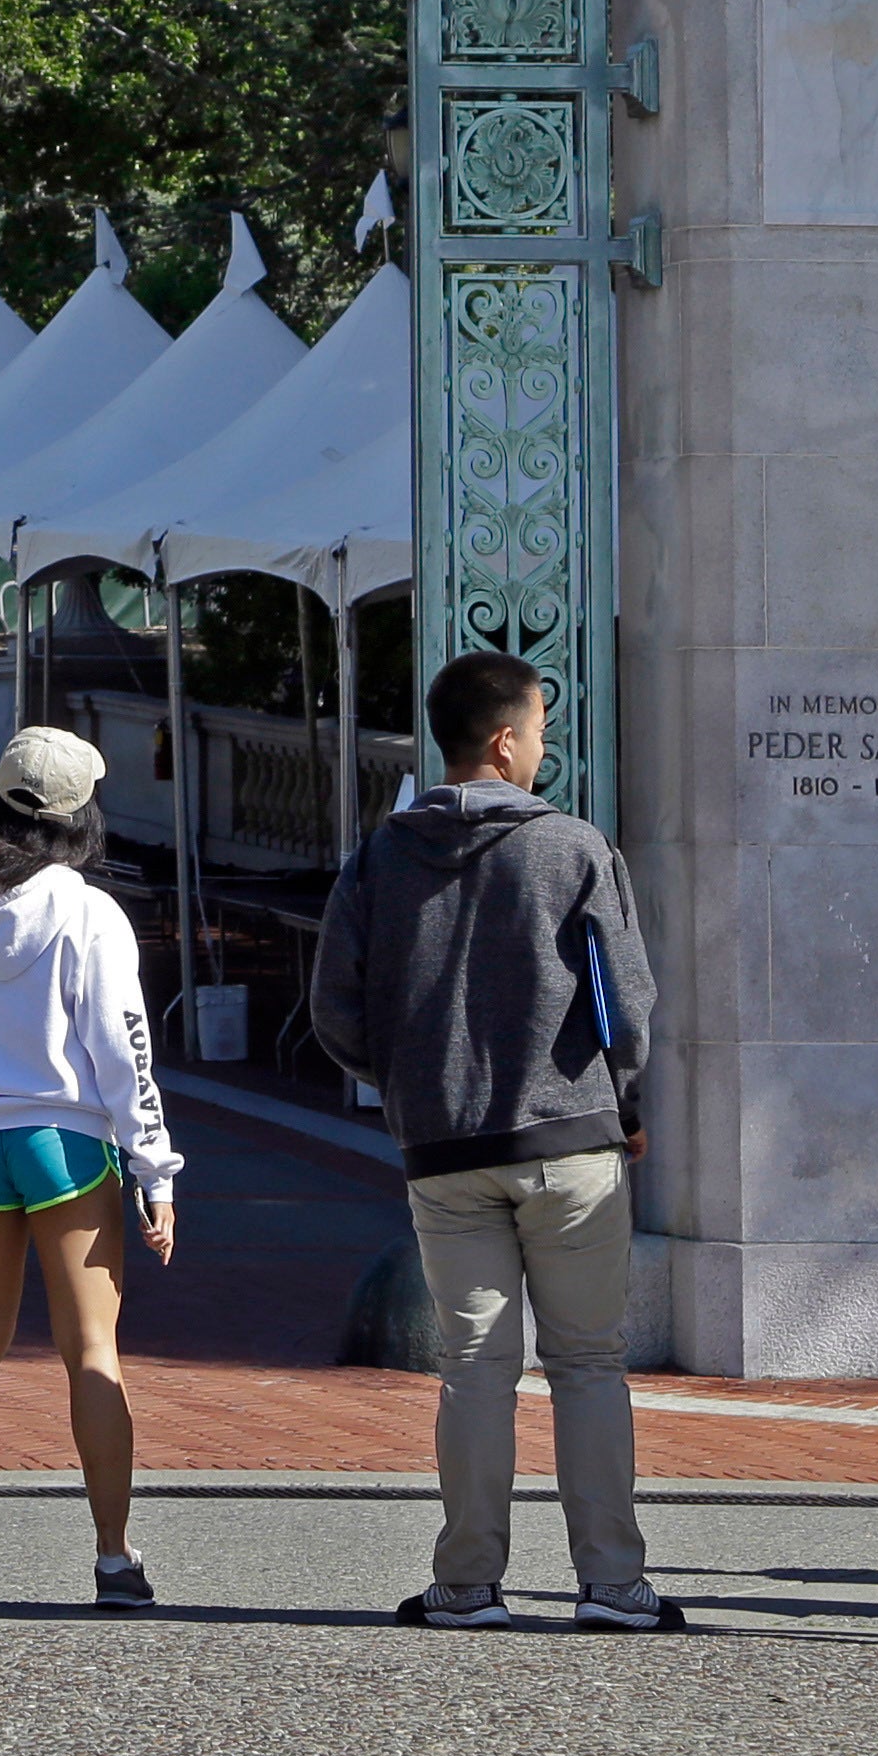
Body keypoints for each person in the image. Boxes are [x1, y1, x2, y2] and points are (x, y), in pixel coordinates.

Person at [306, 647, 680, 1633]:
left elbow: (333, 1004)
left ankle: (467, 1580)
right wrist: (620, 1095)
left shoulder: (382, 855)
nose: (543, 746)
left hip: (443, 1145)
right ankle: (610, 1583)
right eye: (541, 729)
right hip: (565, 1137)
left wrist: (402, 1081)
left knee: (473, 1367)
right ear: (505, 739)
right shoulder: (569, 849)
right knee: (586, 1362)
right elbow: (622, 1003)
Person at [0, 725, 178, 1607]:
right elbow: (123, 1047)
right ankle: (114, 1559)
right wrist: (153, 1168)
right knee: (91, 1347)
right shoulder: (86, 908)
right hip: (66, 1143)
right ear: (78, 811)